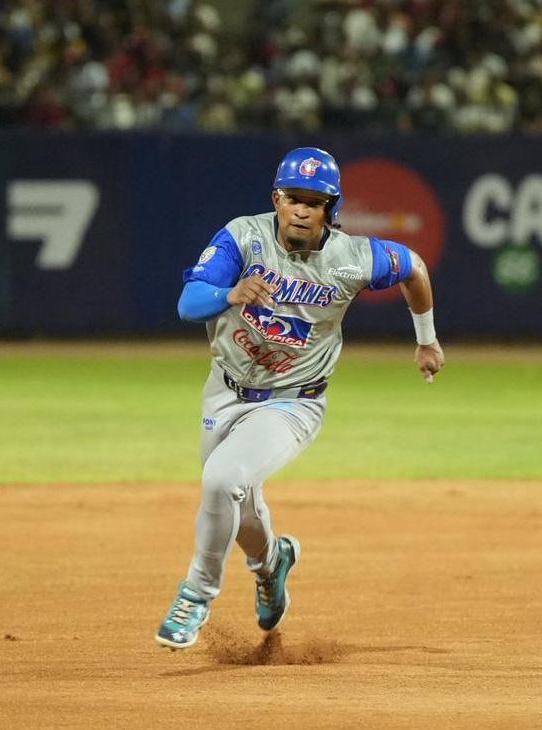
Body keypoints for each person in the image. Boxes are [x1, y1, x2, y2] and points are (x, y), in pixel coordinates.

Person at [156, 147, 445, 649]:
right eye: (294, 199)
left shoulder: (353, 257)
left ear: (331, 207)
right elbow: (187, 303)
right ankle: (272, 564)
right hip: (224, 392)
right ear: (277, 199)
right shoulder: (243, 237)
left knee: (222, 479)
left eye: (316, 201)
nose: (303, 210)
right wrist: (230, 293)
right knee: (239, 510)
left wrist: (426, 338)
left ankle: (196, 594)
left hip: (293, 401)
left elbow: (414, 266)